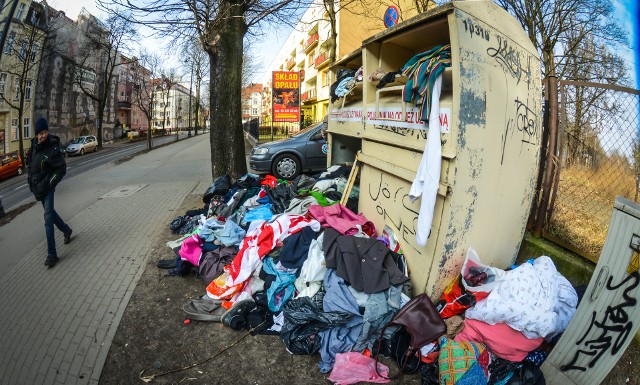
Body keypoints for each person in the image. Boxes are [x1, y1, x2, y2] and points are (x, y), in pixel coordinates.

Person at [27, 117, 73, 268]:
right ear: (36, 134)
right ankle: (66, 230)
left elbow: (61, 169)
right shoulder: (33, 148)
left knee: (47, 220)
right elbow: (30, 167)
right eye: (40, 133)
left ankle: (51, 254)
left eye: (45, 132)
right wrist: (31, 184)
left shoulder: (51, 148)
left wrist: (49, 183)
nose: (43, 135)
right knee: (51, 214)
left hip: (48, 189)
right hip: (38, 188)